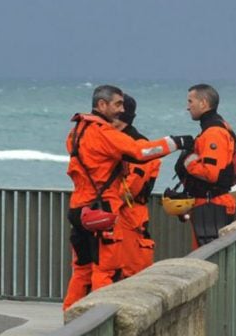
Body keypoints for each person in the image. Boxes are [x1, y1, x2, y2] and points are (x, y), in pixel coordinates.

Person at [63, 85, 193, 310]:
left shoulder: (77, 131)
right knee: (106, 270)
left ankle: (71, 318)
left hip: (78, 207)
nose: (121, 110)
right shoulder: (104, 133)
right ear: (101, 105)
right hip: (101, 210)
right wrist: (176, 142)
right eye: (117, 104)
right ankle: (99, 320)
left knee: (83, 268)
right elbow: (141, 153)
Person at [172, 83, 236, 249]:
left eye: (190, 101)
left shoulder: (214, 132)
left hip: (212, 205)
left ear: (203, 103)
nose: (187, 107)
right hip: (209, 203)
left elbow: (211, 173)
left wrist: (188, 162)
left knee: (209, 256)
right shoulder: (216, 127)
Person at [112, 94, 160, 278]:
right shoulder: (117, 143)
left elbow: (132, 186)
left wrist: (107, 202)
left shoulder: (140, 146)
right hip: (118, 213)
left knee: (132, 269)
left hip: (130, 215)